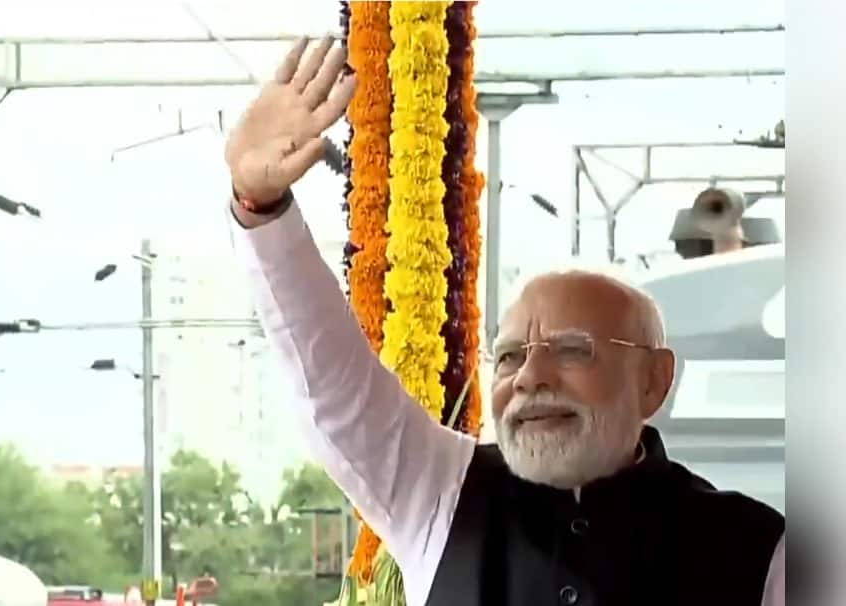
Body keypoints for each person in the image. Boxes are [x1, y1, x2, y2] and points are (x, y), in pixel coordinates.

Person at [222, 36, 785, 606]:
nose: (530, 377)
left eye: (570, 350)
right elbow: (334, 385)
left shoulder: (759, 550)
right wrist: (260, 207)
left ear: (653, 381)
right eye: (511, 355)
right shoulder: (440, 491)